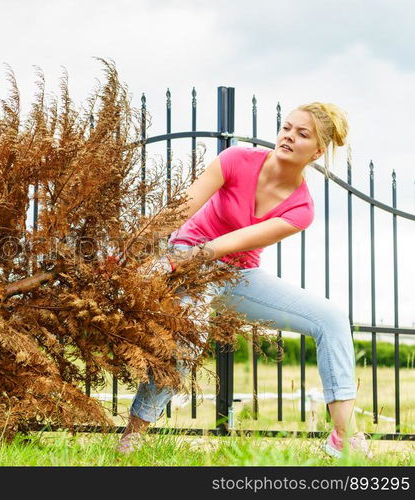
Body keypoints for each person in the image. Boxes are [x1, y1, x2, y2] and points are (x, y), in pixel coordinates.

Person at [116, 102, 371, 459]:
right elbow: (179, 211)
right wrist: (138, 251)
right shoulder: (236, 160)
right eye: (286, 127)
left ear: (316, 151)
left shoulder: (301, 209)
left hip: (237, 273)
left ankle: (344, 438)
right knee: (188, 332)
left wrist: (172, 263)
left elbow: (227, 246)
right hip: (189, 261)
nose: (288, 137)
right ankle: (135, 432)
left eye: (302, 134)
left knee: (331, 318)